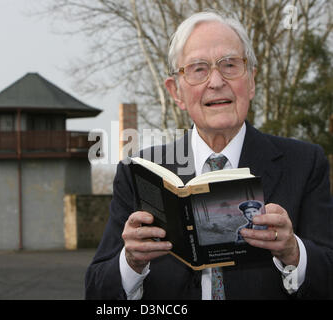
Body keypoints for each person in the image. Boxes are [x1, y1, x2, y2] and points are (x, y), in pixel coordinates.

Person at [85, 10, 333, 299]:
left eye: (230, 65)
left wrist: (294, 252)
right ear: (176, 92)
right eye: (198, 69)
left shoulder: (305, 164)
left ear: (251, 81)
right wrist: (131, 262)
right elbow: (97, 293)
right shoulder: (139, 173)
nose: (216, 81)